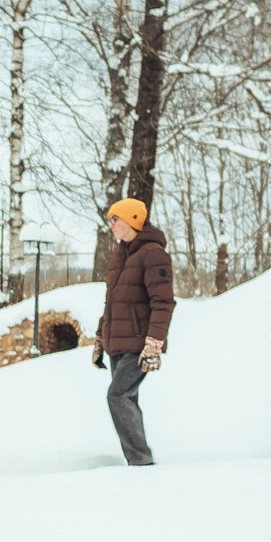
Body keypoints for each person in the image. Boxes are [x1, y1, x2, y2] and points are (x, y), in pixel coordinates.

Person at [93, 199, 174, 466]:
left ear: (133, 220)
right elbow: (112, 302)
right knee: (126, 397)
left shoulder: (153, 254)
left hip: (139, 344)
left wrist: (154, 343)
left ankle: (141, 461)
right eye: (110, 220)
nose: (111, 225)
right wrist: (100, 338)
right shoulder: (121, 254)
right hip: (118, 343)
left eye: (115, 219)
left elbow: (163, 303)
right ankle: (138, 460)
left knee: (117, 395)